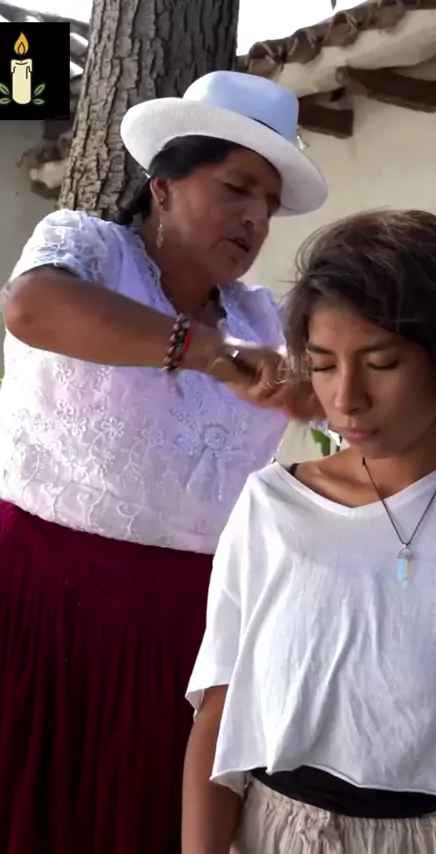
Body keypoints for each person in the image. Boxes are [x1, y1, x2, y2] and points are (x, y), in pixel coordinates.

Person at [0, 71, 326, 854]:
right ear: (162, 187)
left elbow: (349, 390)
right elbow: (31, 308)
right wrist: (207, 352)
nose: (255, 217)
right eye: (236, 188)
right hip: (35, 604)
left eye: (268, 203)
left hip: (180, 638)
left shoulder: (265, 321)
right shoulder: (89, 250)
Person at [183, 209, 436, 854]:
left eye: (382, 363)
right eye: (322, 366)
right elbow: (220, 713)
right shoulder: (276, 508)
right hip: (285, 833)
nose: (346, 399)